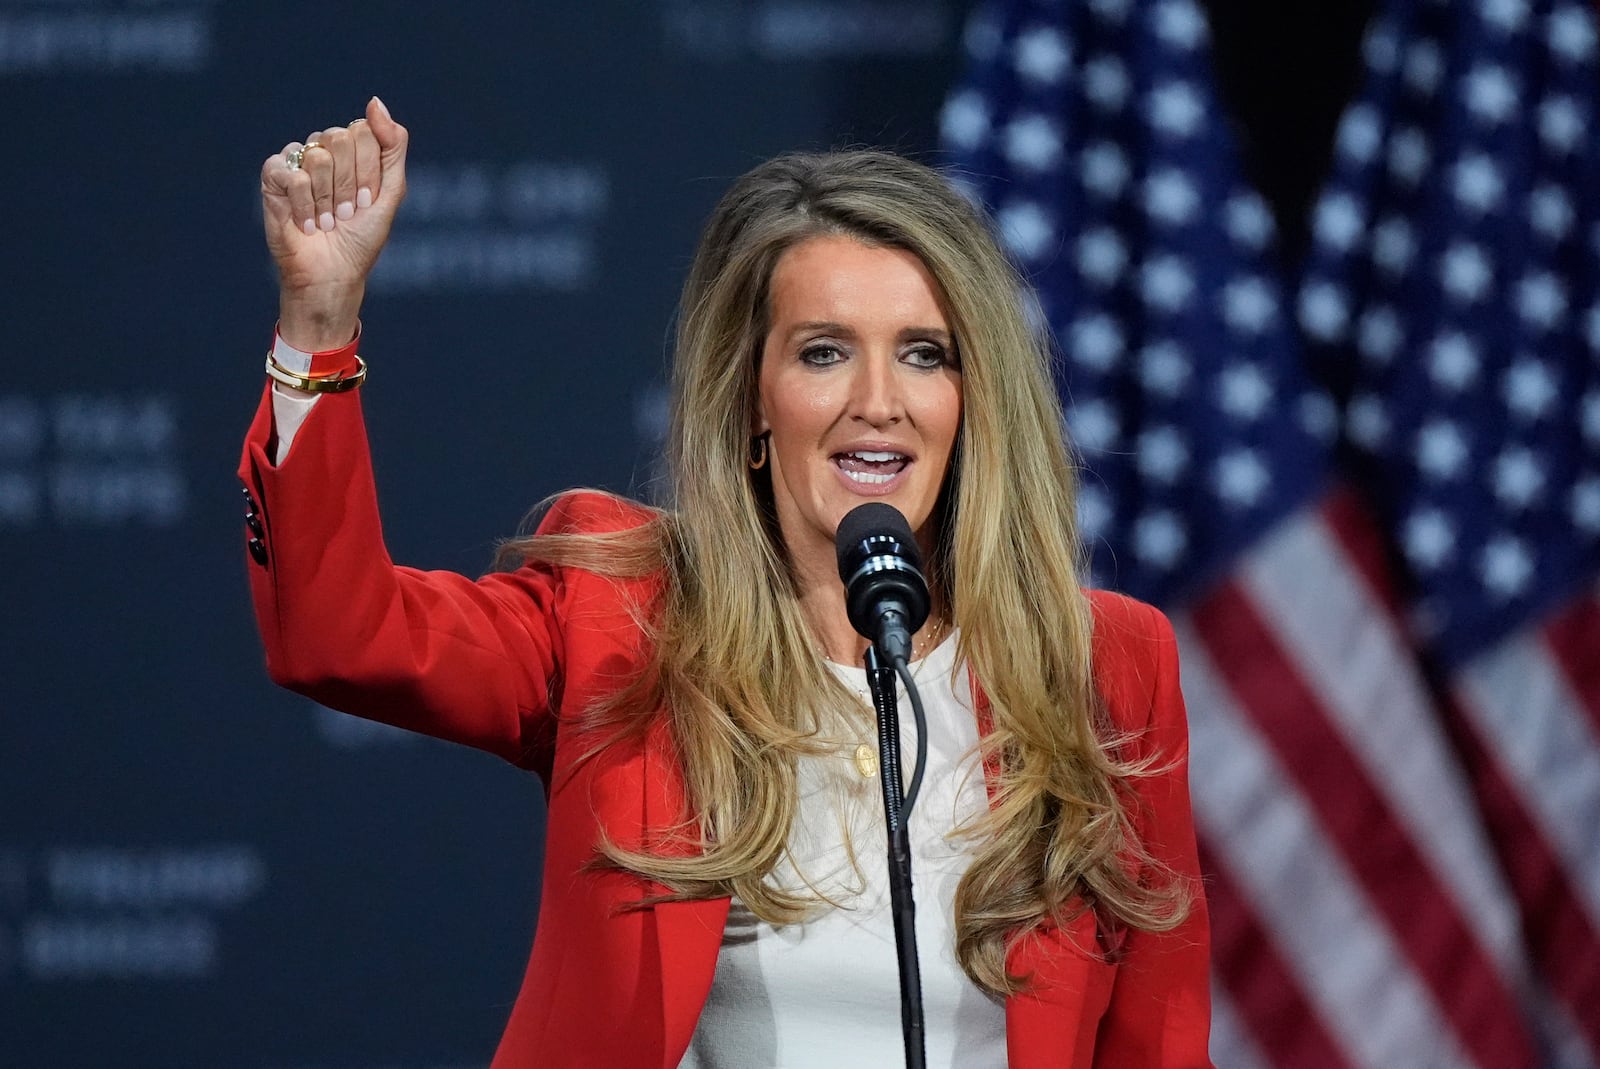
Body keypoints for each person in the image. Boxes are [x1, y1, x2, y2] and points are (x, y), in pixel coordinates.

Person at [240, 96, 1214, 1068]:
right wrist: (318, 322)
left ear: (971, 400)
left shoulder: (1104, 669)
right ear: (751, 400)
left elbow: (1158, 1045)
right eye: (823, 352)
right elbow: (340, 632)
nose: (879, 403)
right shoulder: (621, 624)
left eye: (924, 354)